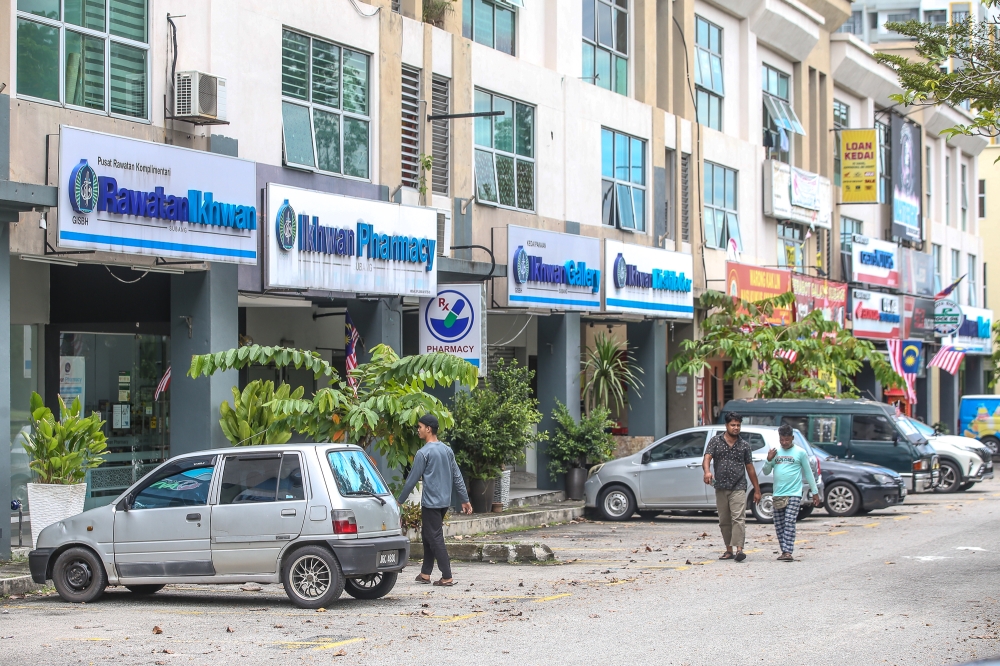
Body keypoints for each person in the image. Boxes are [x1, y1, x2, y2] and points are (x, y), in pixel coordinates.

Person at [396, 414, 473, 587]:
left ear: (428, 429)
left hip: (431, 503)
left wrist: (399, 500)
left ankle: (447, 576)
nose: (418, 430)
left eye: (420, 427)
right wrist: (464, 499)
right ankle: (425, 573)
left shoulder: (423, 453)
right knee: (427, 535)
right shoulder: (447, 450)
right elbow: (457, 476)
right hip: (444, 502)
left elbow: (412, 479)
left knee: (435, 537)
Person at [703, 412, 762, 562]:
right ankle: (728, 550)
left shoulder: (744, 445)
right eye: (733, 425)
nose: (736, 428)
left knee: (738, 518)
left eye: (738, 425)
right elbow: (707, 457)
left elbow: (750, 468)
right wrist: (707, 471)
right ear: (726, 425)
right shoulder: (715, 441)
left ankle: (739, 550)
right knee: (724, 520)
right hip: (721, 487)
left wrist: (757, 490)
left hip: (739, 486)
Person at [763, 424, 821, 562]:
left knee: (789, 520)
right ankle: (784, 550)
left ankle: (788, 551)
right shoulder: (775, 452)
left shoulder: (800, 452)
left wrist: (815, 492)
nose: (784, 442)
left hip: (794, 493)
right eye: (782, 440)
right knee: (779, 523)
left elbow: (808, 473)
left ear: (792, 438)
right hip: (778, 494)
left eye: (787, 440)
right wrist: (769, 459)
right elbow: (765, 471)